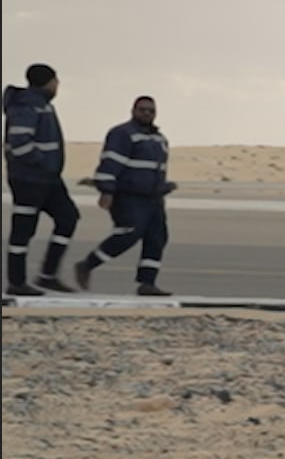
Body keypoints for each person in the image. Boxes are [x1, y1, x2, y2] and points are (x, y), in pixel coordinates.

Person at [76, 94, 175, 295]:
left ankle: (147, 283)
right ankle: (87, 265)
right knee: (128, 233)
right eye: (142, 109)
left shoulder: (160, 140)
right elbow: (110, 163)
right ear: (133, 111)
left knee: (157, 238)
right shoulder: (122, 134)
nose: (147, 113)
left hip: (154, 199)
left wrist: (164, 187)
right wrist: (106, 190)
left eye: (151, 110)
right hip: (128, 196)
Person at [6, 63, 82, 296]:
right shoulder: (27, 104)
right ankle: (17, 283)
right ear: (47, 82)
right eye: (56, 80)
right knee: (23, 230)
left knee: (68, 217)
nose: (58, 85)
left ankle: (48, 275)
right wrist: (44, 162)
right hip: (29, 180)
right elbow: (19, 141)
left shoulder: (42, 104)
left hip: (47, 180)